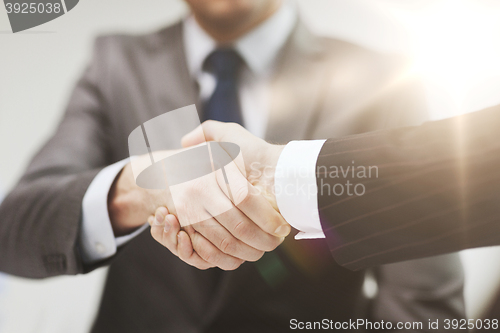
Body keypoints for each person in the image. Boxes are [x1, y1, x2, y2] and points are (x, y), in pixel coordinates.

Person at [0, 0, 464, 331]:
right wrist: (142, 188)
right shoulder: (115, 63)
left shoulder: (383, 83)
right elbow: (14, 228)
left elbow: (422, 304)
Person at [178, 103, 500, 271]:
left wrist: (273, 174)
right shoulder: (126, 62)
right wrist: (128, 189)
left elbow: (419, 281)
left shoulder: (383, 71)